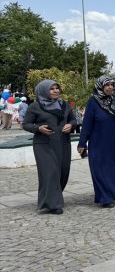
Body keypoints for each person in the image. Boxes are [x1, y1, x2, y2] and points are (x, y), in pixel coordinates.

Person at [77, 76, 115, 208]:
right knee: (102, 170)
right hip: (100, 143)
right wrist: (82, 143)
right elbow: (87, 124)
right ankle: (105, 197)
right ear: (101, 87)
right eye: (107, 85)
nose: (110, 87)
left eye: (111, 84)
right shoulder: (93, 102)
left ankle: (112, 191)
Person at [22, 80, 76, 214]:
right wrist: (38, 128)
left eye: (57, 88)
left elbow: (73, 120)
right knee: (50, 173)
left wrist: (71, 125)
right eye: (52, 89)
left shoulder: (64, 105)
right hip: (44, 145)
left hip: (63, 143)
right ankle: (53, 204)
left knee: (63, 172)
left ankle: (52, 198)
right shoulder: (35, 106)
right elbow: (26, 124)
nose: (56, 91)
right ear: (44, 91)